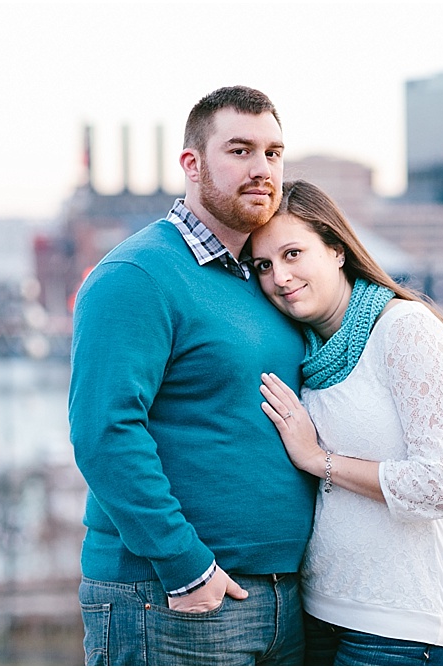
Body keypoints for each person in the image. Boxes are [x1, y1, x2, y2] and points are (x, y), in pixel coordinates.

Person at [68, 87, 315, 666]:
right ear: (192, 164)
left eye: (274, 153)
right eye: (240, 150)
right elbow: (104, 432)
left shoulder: (265, 279)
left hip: (283, 596)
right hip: (170, 600)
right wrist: (184, 566)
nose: (262, 170)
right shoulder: (136, 276)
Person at [249, 180, 443, 666]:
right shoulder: (305, 352)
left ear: (335, 249)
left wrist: (318, 460)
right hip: (319, 613)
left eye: (293, 253)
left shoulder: (406, 330)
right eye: (263, 265)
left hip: (400, 626)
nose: (279, 277)